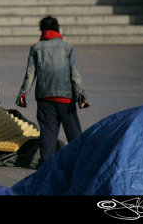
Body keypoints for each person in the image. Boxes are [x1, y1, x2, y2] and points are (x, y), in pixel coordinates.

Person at [16, 15, 89, 167]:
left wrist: (23, 94)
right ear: (57, 29)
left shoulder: (36, 48)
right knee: (74, 133)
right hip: (66, 98)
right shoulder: (67, 47)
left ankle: (45, 166)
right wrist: (81, 94)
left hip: (45, 98)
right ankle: (82, 162)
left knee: (48, 133)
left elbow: (30, 74)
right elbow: (74, 74)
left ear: (42, 30)